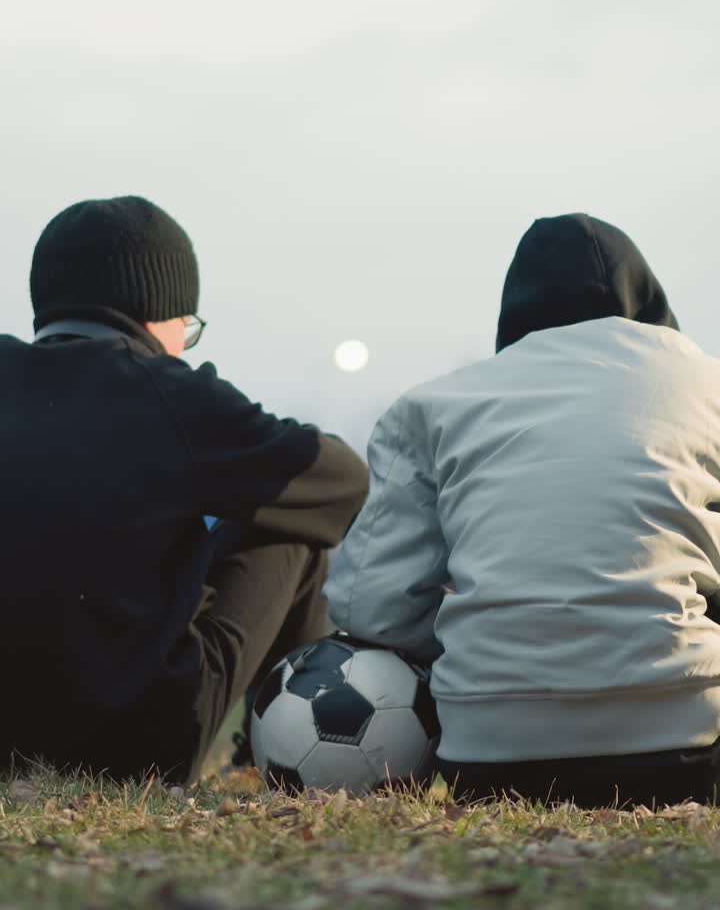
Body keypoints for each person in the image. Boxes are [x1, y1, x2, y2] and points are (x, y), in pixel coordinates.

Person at [325, 213, 720, 807]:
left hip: (492, 761)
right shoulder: (705, 385)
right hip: (690, 744)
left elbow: (369, 608)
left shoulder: (432, 406)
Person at [0, 195, 367, 784]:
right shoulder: (166, 391)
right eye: (186, 329)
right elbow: (341, 480)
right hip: (133, 748)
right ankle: (276, 755)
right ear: (157, 312)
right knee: (288, 511)